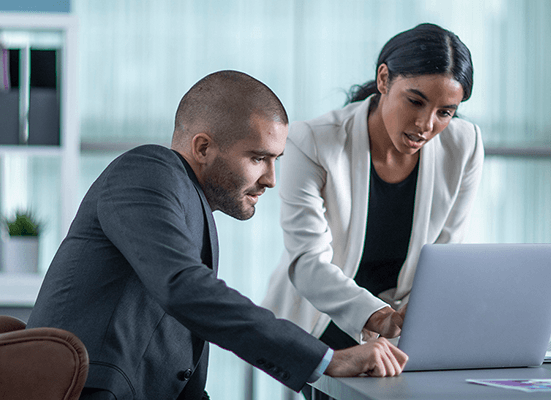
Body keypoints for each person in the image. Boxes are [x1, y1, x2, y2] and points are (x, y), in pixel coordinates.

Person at [26, 70, 408, 400]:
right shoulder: (145, 171)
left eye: (276, 160)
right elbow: (185, 288)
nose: (271, 180)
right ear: (204, 147)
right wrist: (327, 358)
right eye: (258, 158)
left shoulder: (187, 205)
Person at [263, 23, 484, 352]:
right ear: (384, 79)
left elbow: (445, 253)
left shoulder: (464, 144)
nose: (426, 124)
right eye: (415, 101)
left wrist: (411, 322)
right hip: (322, 319)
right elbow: (308, 261)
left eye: (445, 112)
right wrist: (379, 316)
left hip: (405, 327)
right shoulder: (312, 140)